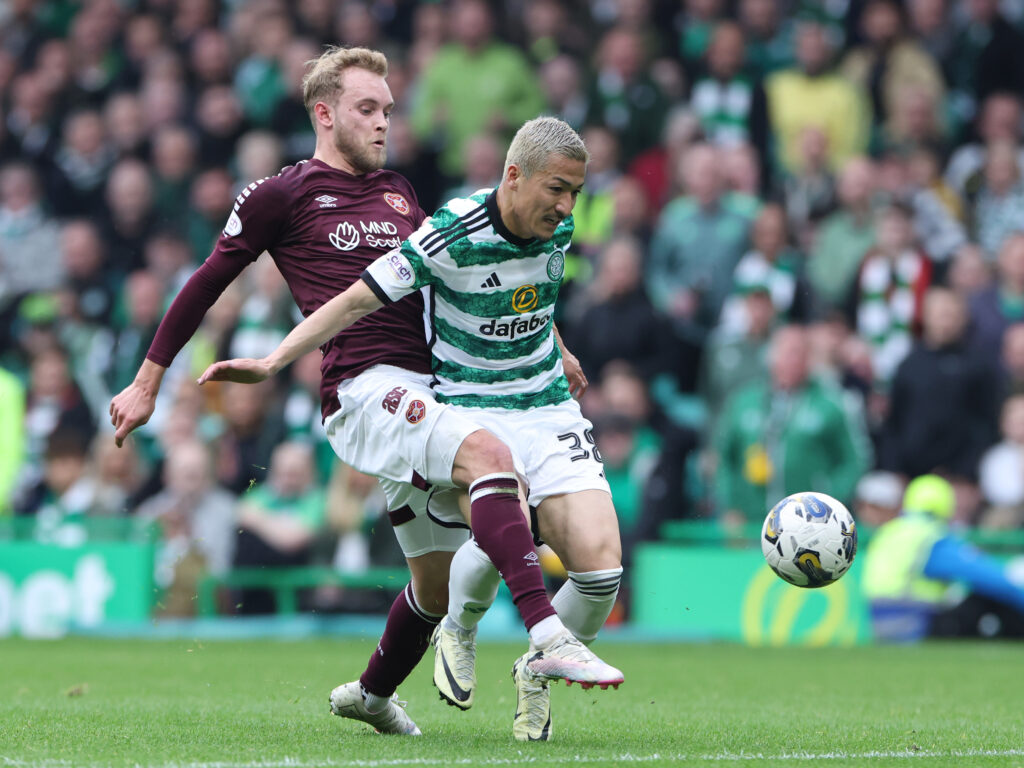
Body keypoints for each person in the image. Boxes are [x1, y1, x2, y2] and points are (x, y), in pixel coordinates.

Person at [109, 48, 619, 738]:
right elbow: (206, 279)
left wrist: (552, 343)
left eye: (388, 109)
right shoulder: (280, 195)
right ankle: (547, 634)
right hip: (366, 388)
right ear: (325, 114)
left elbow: (463, 278)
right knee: (490, 457)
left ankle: (371, 694)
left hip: (436, 390)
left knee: (434, 587)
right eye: (367, 109)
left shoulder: (400, 193)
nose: (384, 122)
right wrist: (149, 381)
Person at [862, 474, 1024, 641]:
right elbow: (989, 577)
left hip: (879, 628)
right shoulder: (930, 537)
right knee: (983, 599)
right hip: (917, 624)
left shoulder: (888, 532)